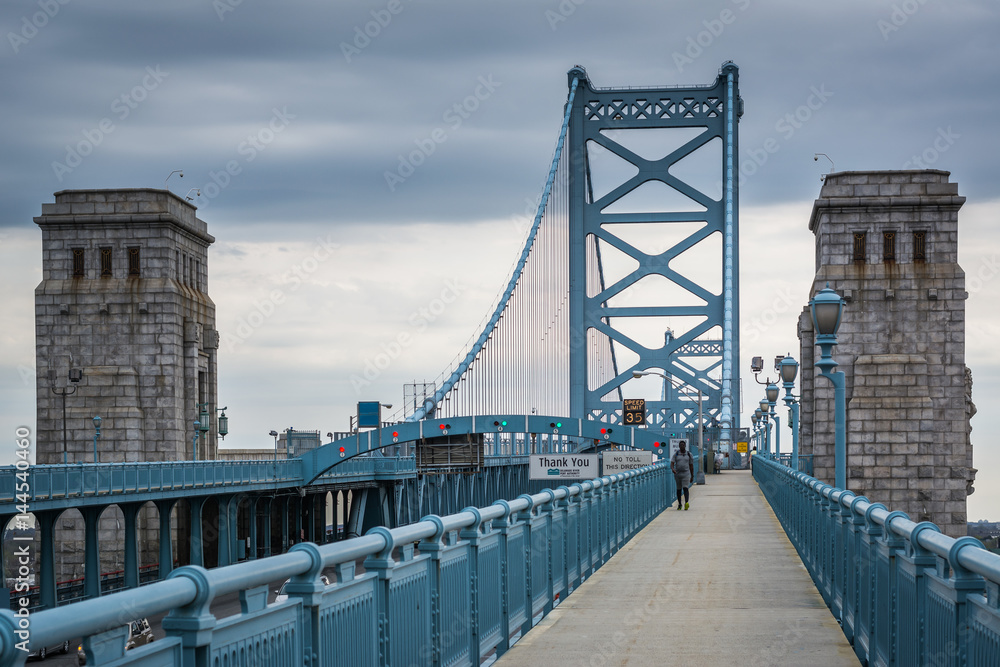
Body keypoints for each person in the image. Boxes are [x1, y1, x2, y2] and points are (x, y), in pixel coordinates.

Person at [671, 440, 695, 510]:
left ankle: (686, 502)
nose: (682, 446)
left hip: (686, 473)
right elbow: (672, 463)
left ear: (685, 446)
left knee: (685, 488)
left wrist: (692, 476)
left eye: (683, 445)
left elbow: (691, 465)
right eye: (680, 445)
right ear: (679, 446)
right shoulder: (676, 454)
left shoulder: (689, 454)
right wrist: (673, 469)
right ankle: (679, 504)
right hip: (677, 474)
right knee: (678, 489)